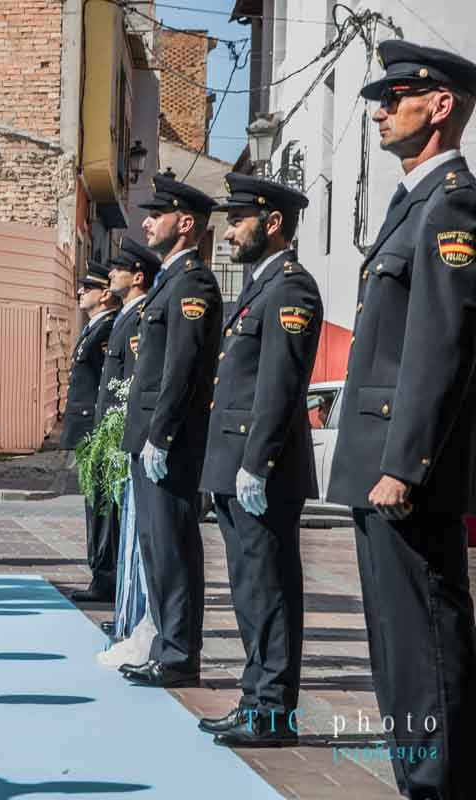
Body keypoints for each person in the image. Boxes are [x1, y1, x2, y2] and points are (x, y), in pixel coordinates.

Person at [327, 40, 476, 798]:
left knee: (425, 646)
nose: (382, 111)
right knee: (394, 647)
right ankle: (421, 782)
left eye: (397, 96)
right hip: (377, 462)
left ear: (440, 106)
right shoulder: (411, 201)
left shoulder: (451, 202)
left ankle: (440, 788)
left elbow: (439, 348)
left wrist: (402, 464)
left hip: (402, 471)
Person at [198, 174, 320, 747]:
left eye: (238, 220)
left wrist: (258, 462)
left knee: (268, 590)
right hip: (236, 464)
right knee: (250, 590)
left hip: (260, 469)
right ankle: (254, 699)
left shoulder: (292, 288)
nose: (227, 232)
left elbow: (280, 384)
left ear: (272, 224)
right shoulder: (261, 285)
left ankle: (272, 712)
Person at [119, 174, 222, 689]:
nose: (146, 222)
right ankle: (166, 644)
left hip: (170, 441)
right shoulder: (169, 281)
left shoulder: (194, 284)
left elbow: (181, 368)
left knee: (174, 545)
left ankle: (181, 653)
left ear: (186, 224)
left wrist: (160, 436)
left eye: (156, 215)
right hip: (148, 437)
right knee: (155, 546)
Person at [94, 237, 161, 653]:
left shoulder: (138, 318)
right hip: (116, 430)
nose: (110, 275)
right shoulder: (124, 316)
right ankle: (124, 615)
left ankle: (133, 617)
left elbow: (134, 380)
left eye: (117, 269)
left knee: (132, 533)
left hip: (128, 432)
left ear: (137, 276)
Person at [65, 263, 122, 601]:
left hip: (96, 427)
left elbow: (107, 386)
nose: (80, 292)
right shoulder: (93, 328)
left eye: (87, 287)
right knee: (94, 503)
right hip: (86, 428)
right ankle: (99, 573)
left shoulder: (109, 329)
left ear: (104, 294)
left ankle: (104, 577)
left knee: (101, 505)